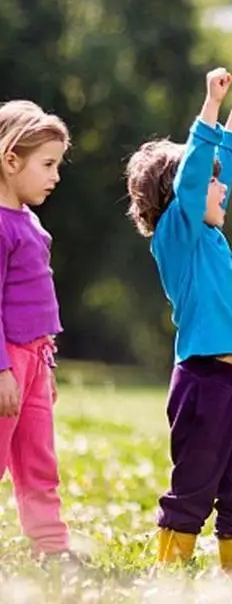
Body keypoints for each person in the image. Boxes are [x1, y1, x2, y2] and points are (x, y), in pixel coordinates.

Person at [125, 69, 232, 577]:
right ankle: (171, 570)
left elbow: (218, 169)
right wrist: (212, 102)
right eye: (211, 181)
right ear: (180, 194)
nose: (222, 188)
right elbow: (196, 179)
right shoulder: (178, 237)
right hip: (203, 382)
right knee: (194, 482)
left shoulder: (209, 234)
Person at [0, 100, 76, 562]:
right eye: (47, 164)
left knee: (38, 462)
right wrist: (3, 369)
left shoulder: (30, 221)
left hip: (35, 360)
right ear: (10, 161)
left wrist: (44, 368)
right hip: (7, 361)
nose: (56, 176)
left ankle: (51, 548)